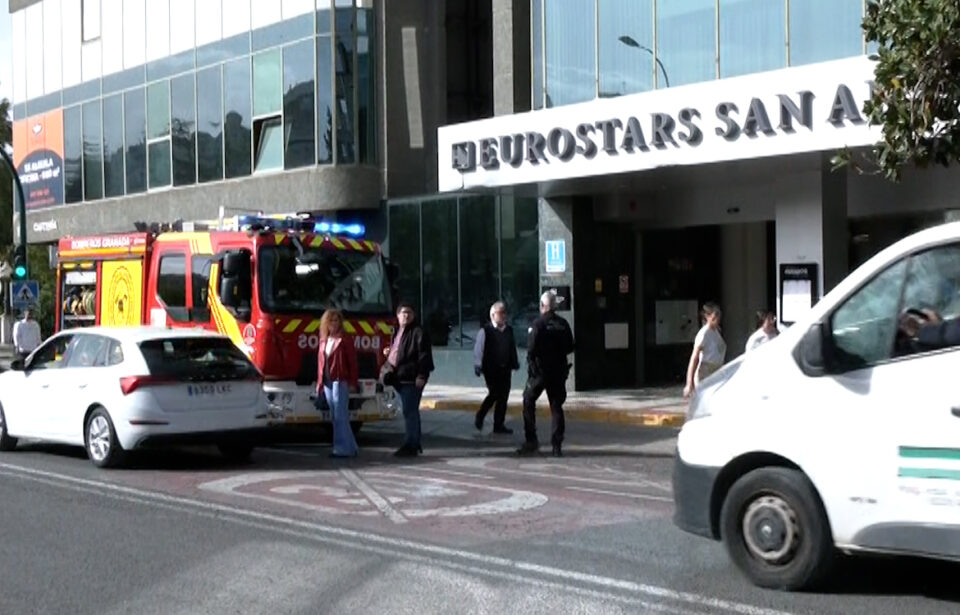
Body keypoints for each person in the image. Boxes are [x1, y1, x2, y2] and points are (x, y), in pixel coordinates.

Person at [518, 291, 575, 458]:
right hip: (558, 371)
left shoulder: (538, 324)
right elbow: (570, 347)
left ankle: (531, 440)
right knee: (556, 407)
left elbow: (531, 349)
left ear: (543, 306)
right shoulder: (563, 324)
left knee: (528, 400)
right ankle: (556, 446)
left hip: (540, 373)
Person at [383, 302, 434, 457]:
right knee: (409, 411)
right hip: (398, 377)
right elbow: (400, 350)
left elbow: (424, 356)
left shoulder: (418, 332)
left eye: (409, 312)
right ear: (397, 316)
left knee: (409, 411)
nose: (406, 315)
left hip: (411, 379)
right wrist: (389, 353)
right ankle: (414, 442)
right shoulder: (398, 331)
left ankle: (410, 444)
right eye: (403, 312)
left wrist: (422, 376)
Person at [316, 308, 359, 458]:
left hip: (340, 381)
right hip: (327, 381)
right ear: (326, 323)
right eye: (331, 321)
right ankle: (351, 446)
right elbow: (320, 363)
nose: (334, 324)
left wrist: (353, 382)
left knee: (340, 416)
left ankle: (341, 449)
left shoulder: (345, 339)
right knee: (336, 416)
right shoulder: (323, 339)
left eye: (336, 320)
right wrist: (319, 383)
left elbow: (353, 362)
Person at [473, 301, 520, 434]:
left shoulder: (508, 330)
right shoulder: (485, 331)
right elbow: (479, 350)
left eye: (505, 312)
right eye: (501, 313)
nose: (504, 315)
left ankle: (498, 425)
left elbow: (512, 348)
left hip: (505, 368)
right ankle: (480, 415)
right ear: (493, 315)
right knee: (494, 393)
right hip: (491, 369)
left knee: (503, 397)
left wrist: (514, 363)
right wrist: (478, 365)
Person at [683, 302, 726, 398]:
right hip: (706, 372)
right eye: (715, 316)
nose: (717, 319)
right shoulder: (703, 333)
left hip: (717, 371)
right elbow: (694, 357)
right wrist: (689, 382)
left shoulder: (717, 331)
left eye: (719, 315)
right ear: (707, 316)